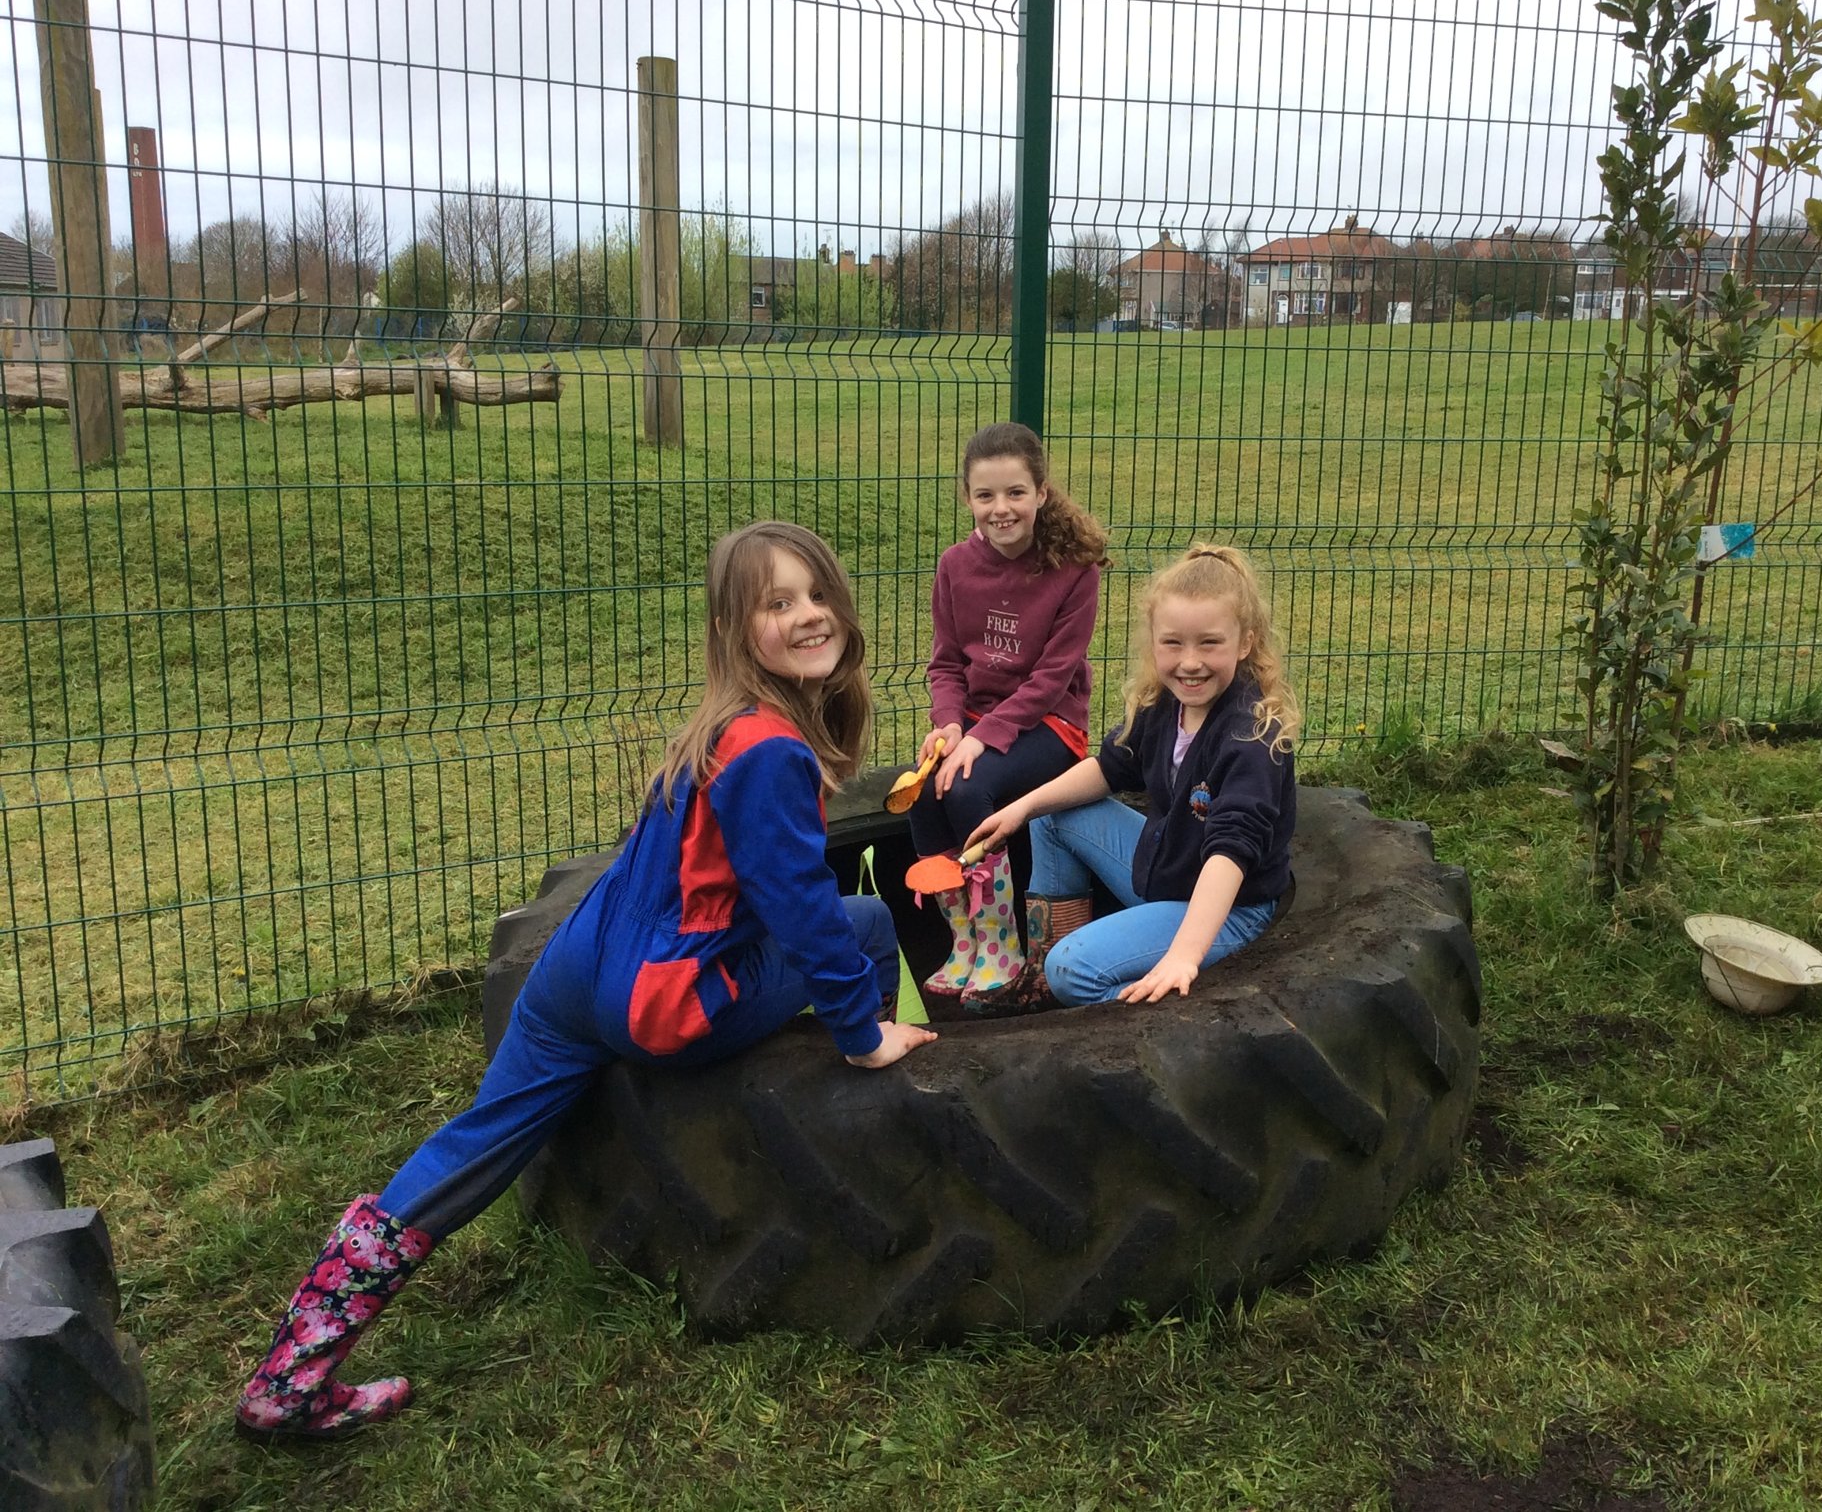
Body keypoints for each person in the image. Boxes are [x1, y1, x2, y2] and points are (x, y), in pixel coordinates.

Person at [234, 522, 937, 1442]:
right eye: (778, 603)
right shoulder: (772, 752)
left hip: (574, 971)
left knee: (476, 1139)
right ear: (735, 629)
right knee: (867, 922)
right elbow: (804, 907)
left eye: (817, 594)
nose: (809, 615)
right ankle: (873, 1168)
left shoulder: (716, 731)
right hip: (663, 1002)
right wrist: (860, 1031)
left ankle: (291, 1372)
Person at [965, 543, 1299, 1008]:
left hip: (1228, 909)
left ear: (1244, 642)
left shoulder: (1250, 738)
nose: (1189, 662)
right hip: (1168, 869)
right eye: (1173, 643)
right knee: (1052, 817)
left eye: (1209, 642)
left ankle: (1157, 1001)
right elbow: (1108, 769)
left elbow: (1231, 852)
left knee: (1075, 971)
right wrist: (1021, 808)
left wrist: (1184, 954)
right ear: (1154, 640)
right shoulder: (1165, 703)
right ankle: (1041, 976)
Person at [912, 422, 1110, 1013]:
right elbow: (945, 663)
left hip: (1052, 725)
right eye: (985, 496)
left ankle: (1002, 947)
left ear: (1041, 493)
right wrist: (950, 726)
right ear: (967, 498)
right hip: (973, 719)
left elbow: (1052, 679)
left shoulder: (1075, 568)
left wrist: (984, 738)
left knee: (972, 785)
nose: (1001, 509)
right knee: (922, 788)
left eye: (1015, 493)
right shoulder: (955, 566)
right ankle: (962, 943)